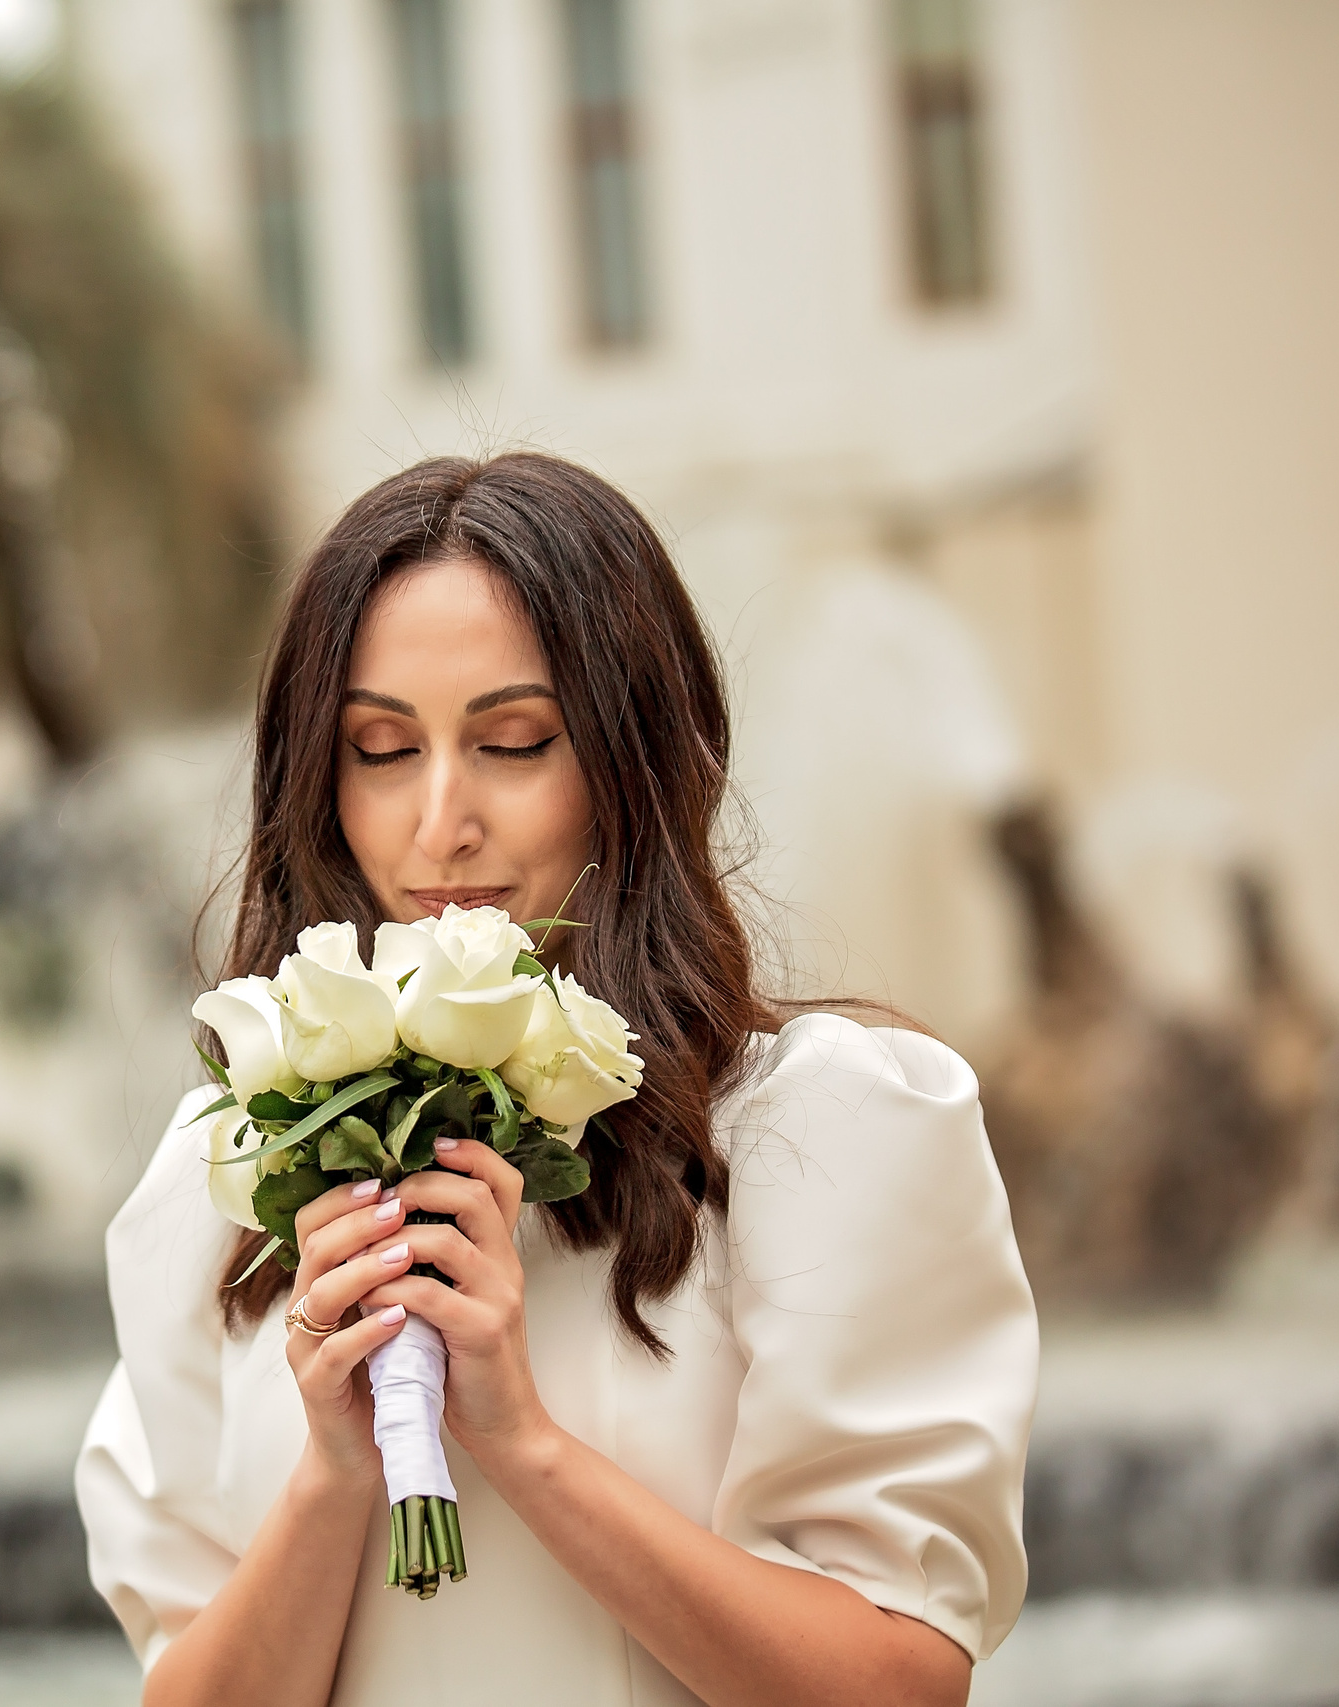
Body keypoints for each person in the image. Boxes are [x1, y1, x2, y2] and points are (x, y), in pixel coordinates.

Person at [75, 453, 1038, 1707]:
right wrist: (333, 1471)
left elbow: (899, 1686)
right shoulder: (223, 1175)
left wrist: (523, 1443)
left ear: (635, 761)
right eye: (378, 748)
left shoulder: (830, 1126)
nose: (440, 821)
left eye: (513, 741)